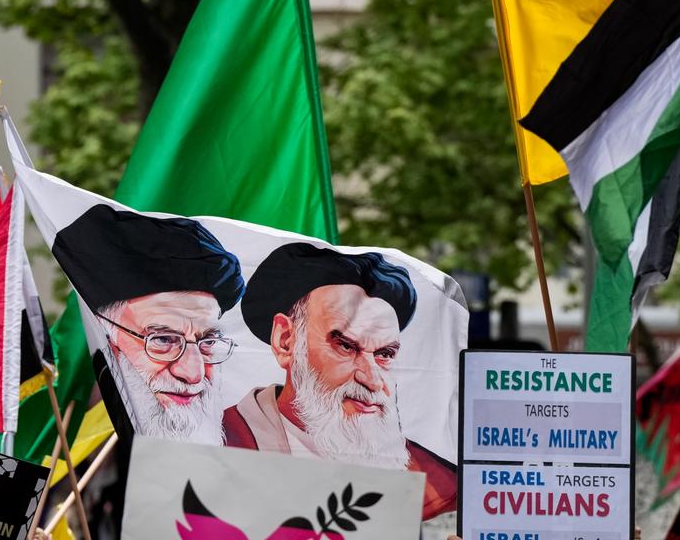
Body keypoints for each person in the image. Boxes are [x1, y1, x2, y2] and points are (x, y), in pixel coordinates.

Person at [222, 243, 456, 519]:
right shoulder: (208, 448)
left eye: (384, 354)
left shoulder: (437, 486)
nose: (371, 379)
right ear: (286, 341)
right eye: (346, 346)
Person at [52, 204, 245, 443]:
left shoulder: (251, 451)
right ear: (106, 339)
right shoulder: (60, 439)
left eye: (208, 341)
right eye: (164, 339)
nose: (193, 374)